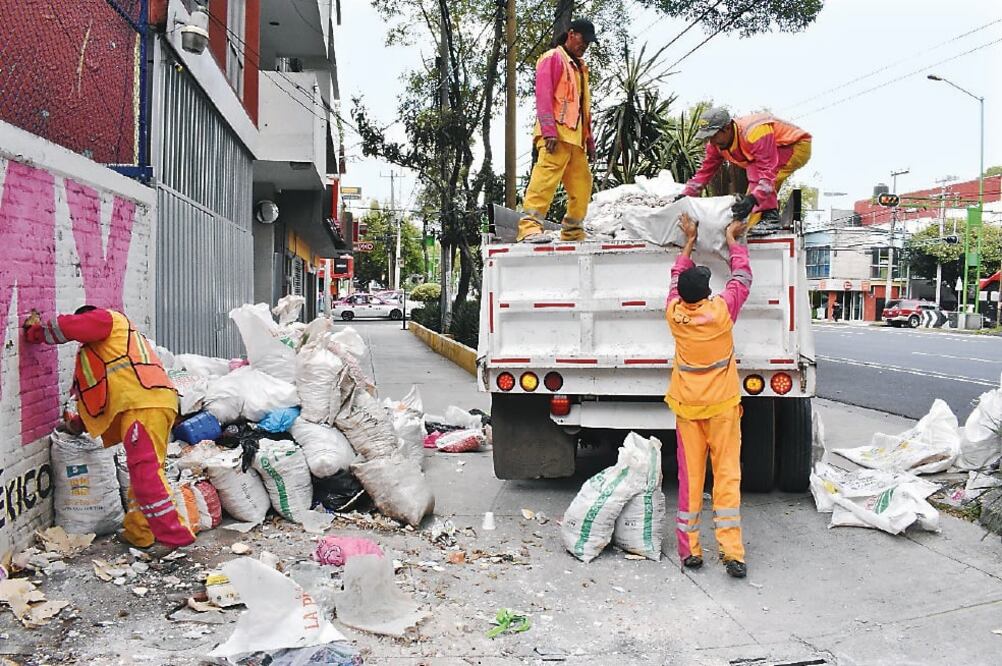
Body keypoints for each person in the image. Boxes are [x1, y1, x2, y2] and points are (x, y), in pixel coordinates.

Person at [23, 306, 196, 550]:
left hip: (142, 403)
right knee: (143, 474)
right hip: (150, 403)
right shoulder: (107, 349)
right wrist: (79, 424)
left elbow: (69, 326)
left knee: (145, 473)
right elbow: (101, 392)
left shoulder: (106, 319)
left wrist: (36, 332)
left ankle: (175, 535)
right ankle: (139, 533)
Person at [666, 213, 751, 578]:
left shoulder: (673, 314)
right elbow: (742, 278)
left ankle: (690, 552)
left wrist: (688, 240)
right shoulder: (720, 312)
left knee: (691, 483)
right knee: (727, 478)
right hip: (722, 412)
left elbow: (674, 276)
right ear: (706, 294)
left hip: (688, 412)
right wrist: (734, 241)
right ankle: (732, 553)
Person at [516, 18, 598, 244]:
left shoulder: (580, 67)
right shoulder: (552, 58)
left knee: (582, 185)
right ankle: (529, 228)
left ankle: (572, 232)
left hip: (575, 139)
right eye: (584, 40)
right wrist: (549, 130)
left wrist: (589, 141)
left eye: (589, 43)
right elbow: (543, 96)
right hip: (556, 136)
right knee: (544, 181)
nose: (586, 46)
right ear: (571, 34)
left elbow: (583, 107)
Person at [678, 107, 812, 233]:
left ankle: (770, 217)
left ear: (727, 128)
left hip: (796, 146)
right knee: (753, 186)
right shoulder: (716, 145)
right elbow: (704, 173)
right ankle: (754, 224)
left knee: (757, 180)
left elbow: (767, 173)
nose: (711, 142)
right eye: (707, 137)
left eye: (713, 135)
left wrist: (753, 199)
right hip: (763, 161)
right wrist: (686, 195)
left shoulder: (755, 134)